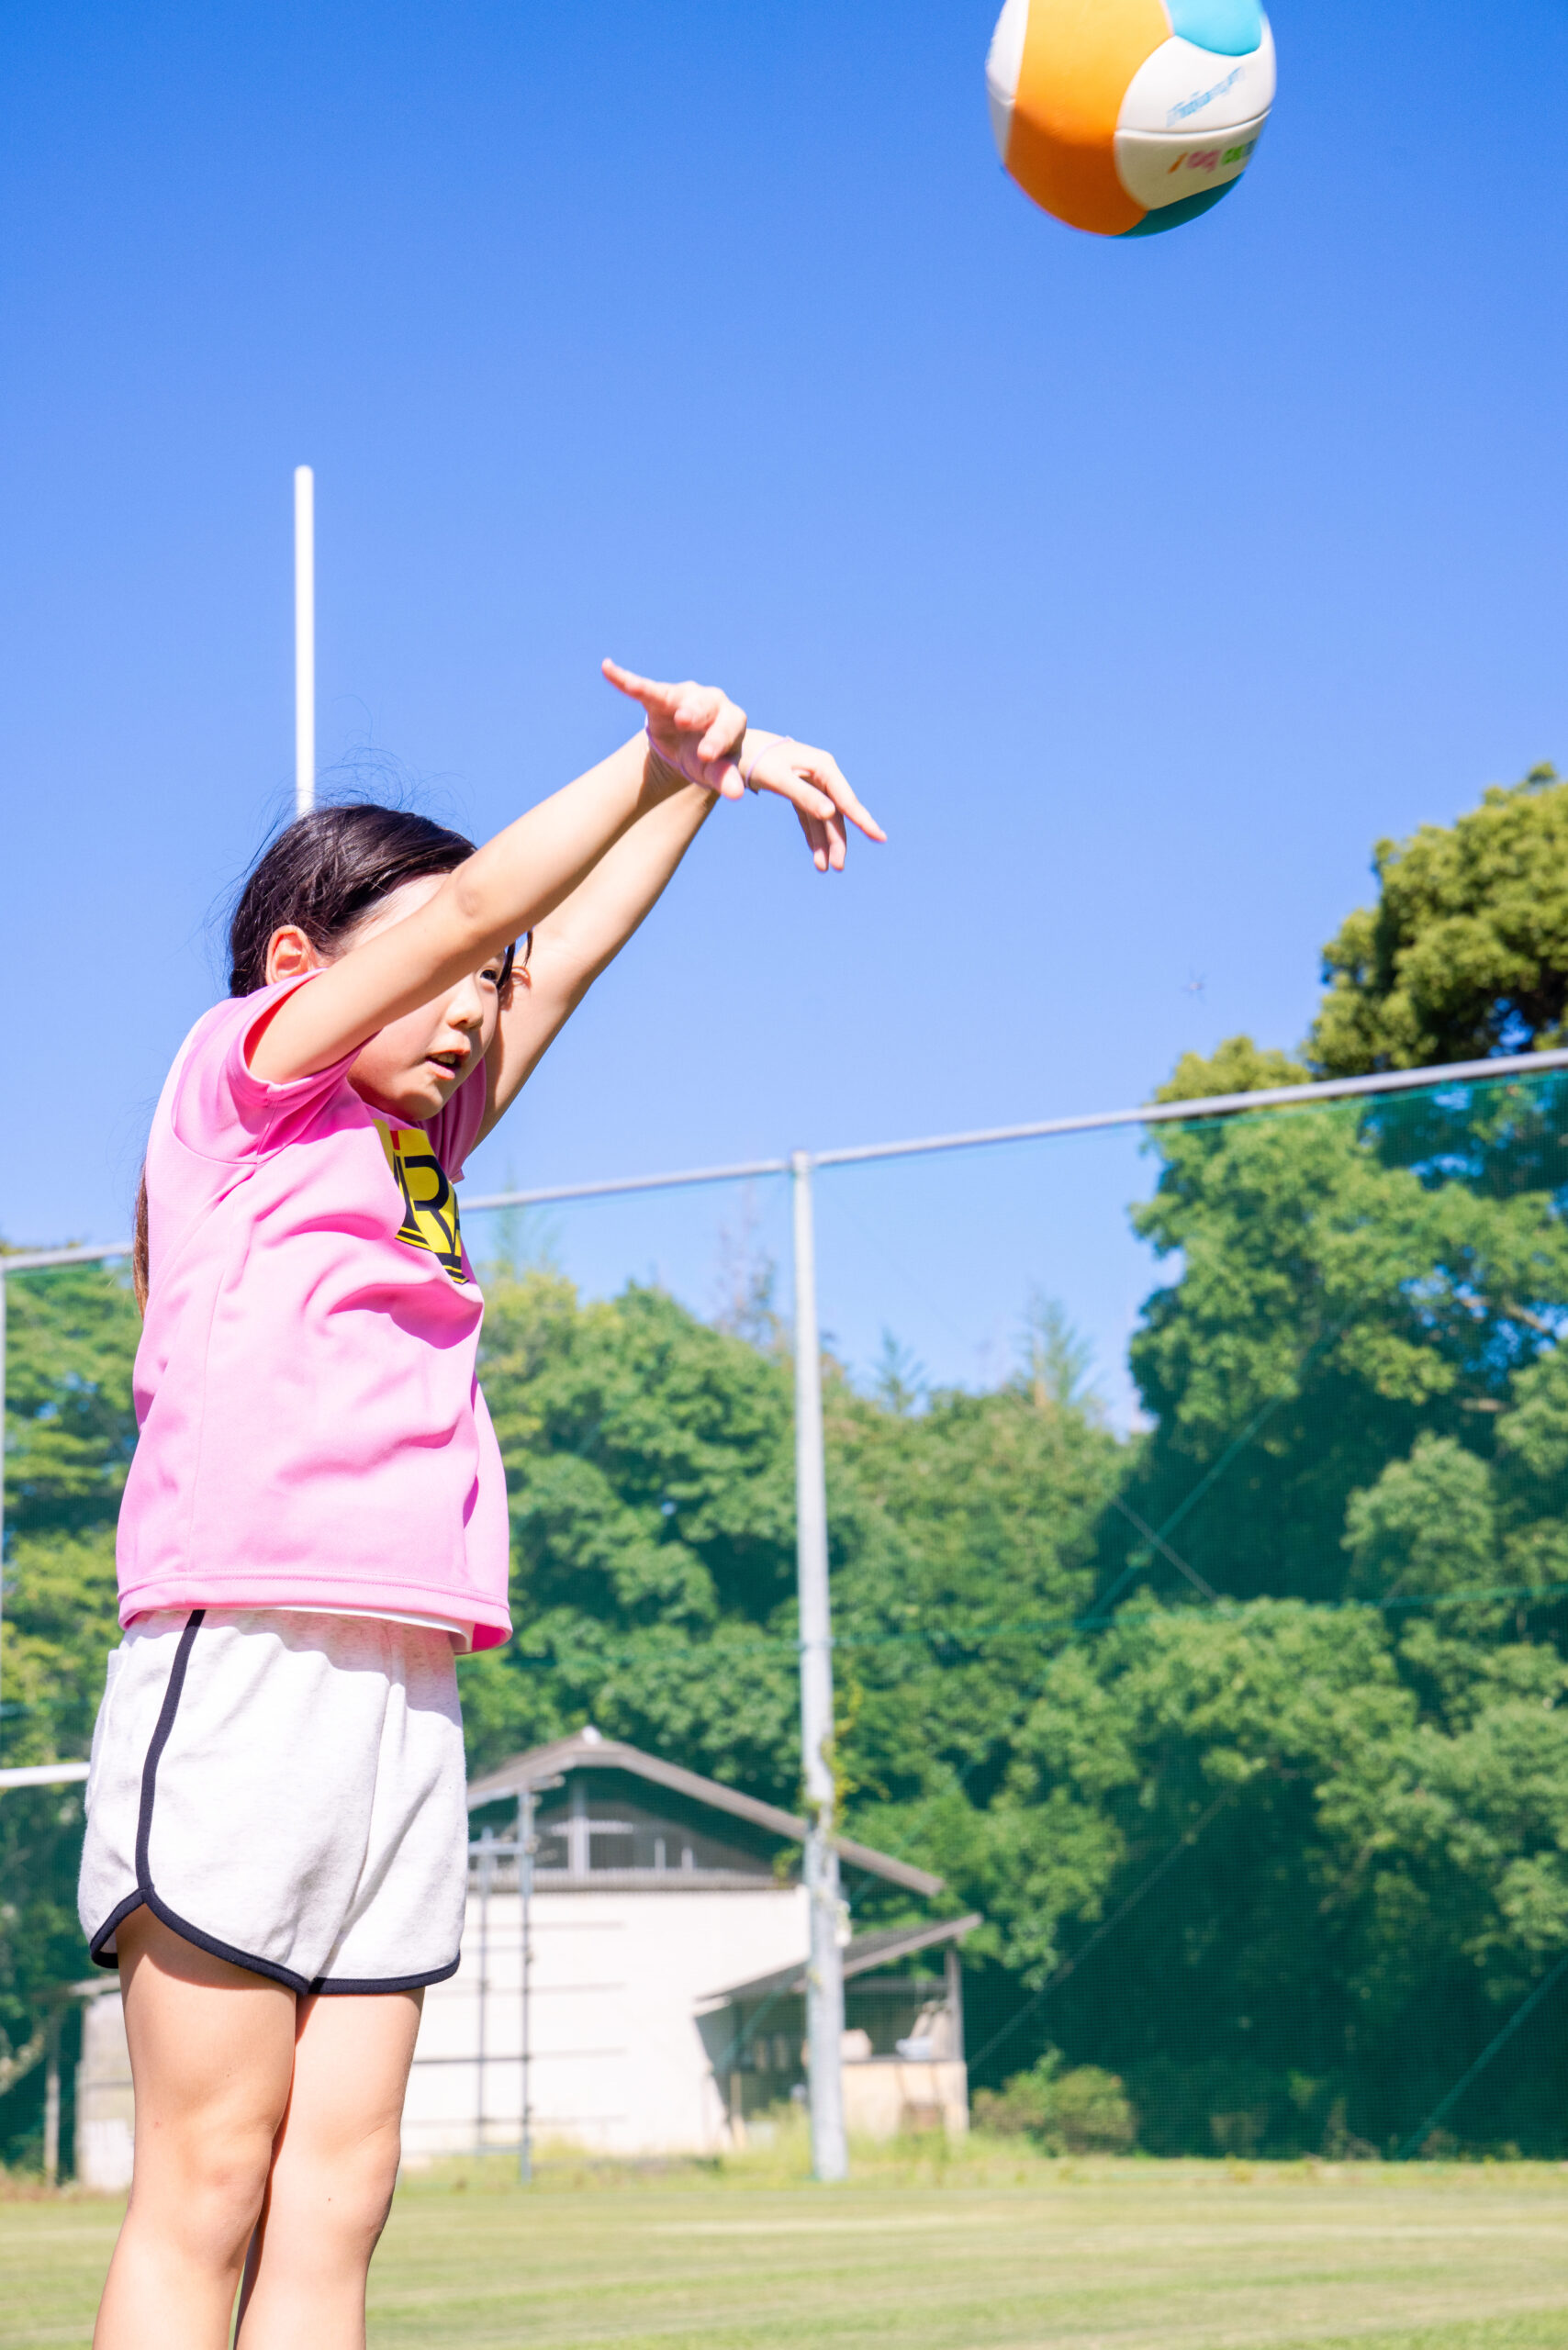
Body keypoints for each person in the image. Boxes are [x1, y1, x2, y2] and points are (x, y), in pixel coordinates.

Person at [78, 659, 883, 2350]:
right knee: (209, 2179)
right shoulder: (239, 1089)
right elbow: (506, 906)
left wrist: (695, 789)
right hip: (244, 1670)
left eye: (479, 986)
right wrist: (643, 753)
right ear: (300, 966)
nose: (473, 1006)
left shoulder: (416, 1149)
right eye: (446, 969)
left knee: (339, 2198)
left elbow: (561, 948)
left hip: (406, 1690)